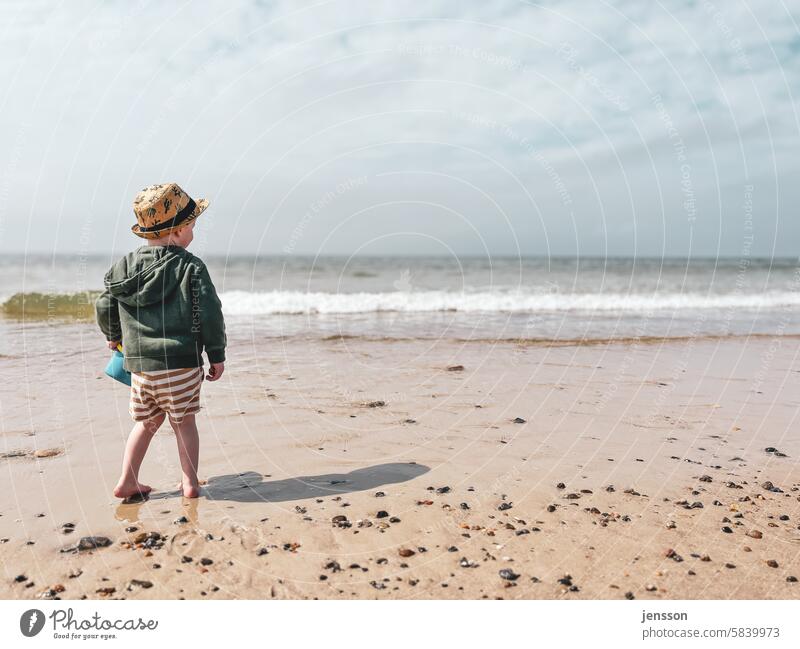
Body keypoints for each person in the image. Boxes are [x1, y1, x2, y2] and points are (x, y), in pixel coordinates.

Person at [95, 182, 226, 499]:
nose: (193, 232)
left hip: (140, 368)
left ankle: (127, 479)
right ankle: (190, 483)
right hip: (181, 364)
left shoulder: (124, 268)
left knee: (147, 422)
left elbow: (104, 304)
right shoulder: (190, 266)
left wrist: (113, 335)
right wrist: (216, 353)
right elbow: (209, 311)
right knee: (184, 424)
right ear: (179, 231)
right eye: (192, 226)